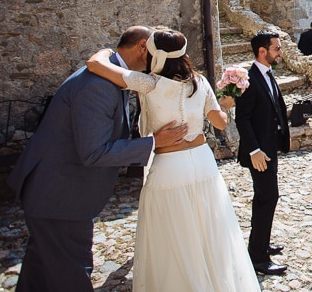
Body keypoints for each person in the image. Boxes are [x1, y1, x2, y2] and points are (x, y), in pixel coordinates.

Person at [7, 26, 187, 292]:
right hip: (60, 196)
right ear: (141, 47)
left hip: (55, 194)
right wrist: (153, 144)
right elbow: (95, 152)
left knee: (41, 271)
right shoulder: (98, 87)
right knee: (71, 273)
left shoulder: (109, 74)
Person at [85, 30, 260, 291]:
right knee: (209, 227)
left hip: (169, 164)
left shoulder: (147, 82)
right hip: (203, 162)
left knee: (172, 232)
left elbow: (94, 64)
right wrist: (226, 103)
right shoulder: (199, 82)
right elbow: (219, 123)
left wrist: (108, 52)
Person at [236, 30, 291, 276]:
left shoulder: (267, 73)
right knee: (268, 197)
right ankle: (258, 257)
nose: (280, 52)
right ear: (263, 51)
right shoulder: (248, 78)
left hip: (270, 147)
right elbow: (242, 119)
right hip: (260, 152)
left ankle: (261, 242)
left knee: (264, 198)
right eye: (277, 48)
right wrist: (254, 150)